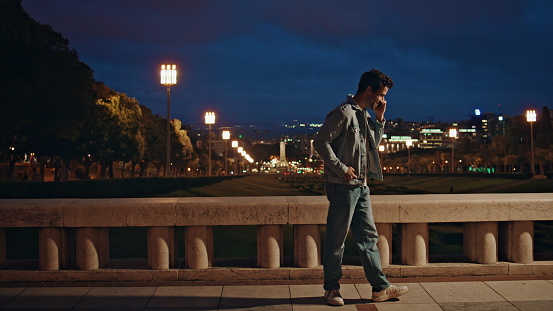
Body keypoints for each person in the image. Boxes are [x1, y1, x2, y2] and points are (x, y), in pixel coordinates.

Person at [313, 69, 408, 306]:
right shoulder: (344, 113)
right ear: (369, 90)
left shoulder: (365, 115)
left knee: (368, 239)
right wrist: (341, 168)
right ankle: (331, 289)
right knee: (336, 241)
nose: (382, 99)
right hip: (343, 186)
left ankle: (380, 288)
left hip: (361, 187)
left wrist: (379, 118)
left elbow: (372, 146)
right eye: (380, 94)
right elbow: (320, 142)